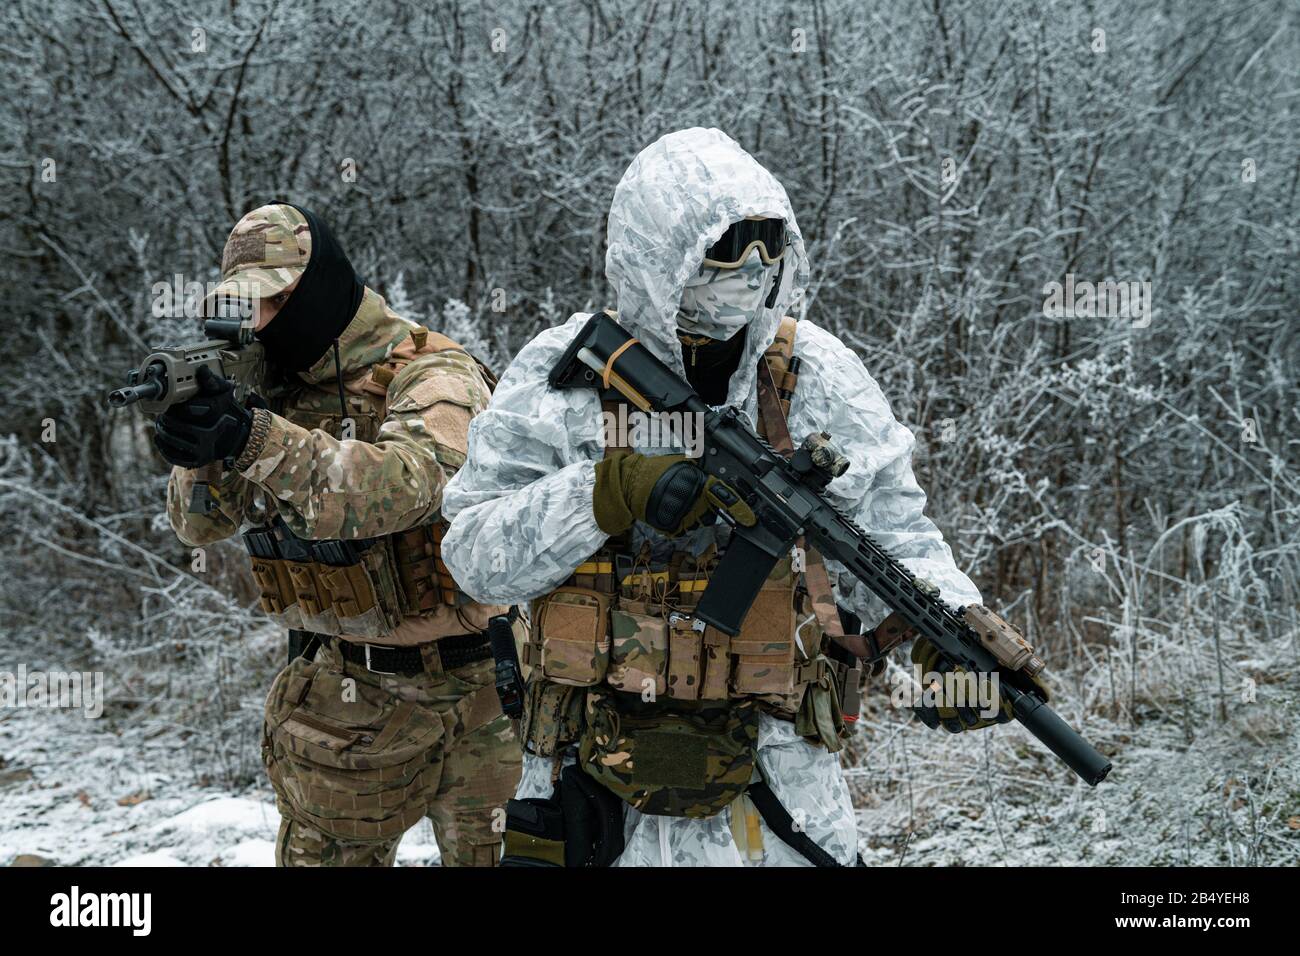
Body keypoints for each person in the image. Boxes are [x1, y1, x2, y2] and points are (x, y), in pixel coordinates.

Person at [157, 201, 520, 866]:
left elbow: (414, 483)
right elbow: (198, 527)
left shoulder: (428, 370)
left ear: (318, 290)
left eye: (273, 302)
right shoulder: (267, 381)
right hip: (346, 694)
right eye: (245, 306)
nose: (257, 323)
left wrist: (252, 437)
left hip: (483, 696)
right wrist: (203, 446)